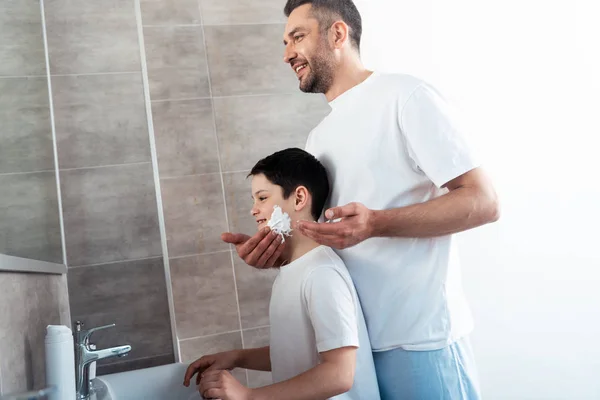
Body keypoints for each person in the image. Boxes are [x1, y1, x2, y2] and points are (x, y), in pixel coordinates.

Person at [222, 1, 501, 399]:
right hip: (359, 349)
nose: (287, 53)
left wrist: (376, 223)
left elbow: (484, 201)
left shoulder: (406, 96)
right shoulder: (319, 137)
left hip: (419, 342)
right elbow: (332, 238)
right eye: (285, 42)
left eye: (298, 37)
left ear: (338, 34)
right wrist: (275, 254)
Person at [184, 148, 380, 400]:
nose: (253, 210)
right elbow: (296, 351)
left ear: (299, 198)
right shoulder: (293, 271)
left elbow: (339, 374)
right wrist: (237, 357)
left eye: (262, 198)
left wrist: (248, 396)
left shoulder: (321, 274)